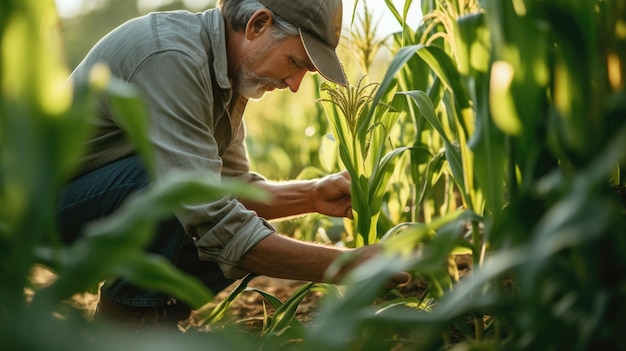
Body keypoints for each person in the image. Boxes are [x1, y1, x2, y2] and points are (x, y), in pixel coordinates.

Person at [57, 0, 409, 330]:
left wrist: (312, 195)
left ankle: (154, 319)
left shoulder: (226, 75)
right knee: (174, 188)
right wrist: (346, 265)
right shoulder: (172, 58)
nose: (296, 85)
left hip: (91, 210)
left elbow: (231, 188)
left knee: (199, 196)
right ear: (258, 24)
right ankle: (126, 325)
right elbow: (214, 219)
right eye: (295, 63)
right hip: (37, 215)